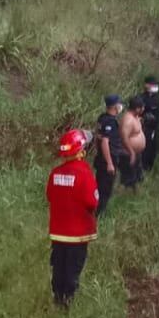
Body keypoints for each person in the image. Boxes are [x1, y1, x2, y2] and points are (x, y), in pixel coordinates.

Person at [46, 129, 99, 308]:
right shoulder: (84, 173)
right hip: (78, 234)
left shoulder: (55, 173)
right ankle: (68, 300)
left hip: (58, 232)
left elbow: (50, 196)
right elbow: (92, 202)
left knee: (59, 265)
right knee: (72, 267)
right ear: (80, 151)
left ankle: (57, 297)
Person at [95, 95, 127, 215]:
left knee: (99, 185)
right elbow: (105, 141)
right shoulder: (110, 121)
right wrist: (109, 163)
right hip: (108, 158)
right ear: (114, 106)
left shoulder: (102, 118)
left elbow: (97, 137)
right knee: (105, 188)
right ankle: (100, 214)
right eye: (119, 104)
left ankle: (96, 209)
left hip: (101, 157)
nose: (121, 106)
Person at [121, 95, 147, 188]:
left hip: (137, 153)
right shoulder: (128, 120)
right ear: (136, 108)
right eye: (142, 107)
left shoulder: (135, 116)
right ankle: (127, 196)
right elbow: (124, 138)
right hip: (128, 153)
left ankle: (136, 192)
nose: (143, 109)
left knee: (138, 175)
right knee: (129, 178)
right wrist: (131, 152)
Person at [141, 77, 159, 172]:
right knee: (145, 149)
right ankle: (142, 168)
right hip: (144, 128)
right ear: (147, 85)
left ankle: (149, 168)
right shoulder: (141, 98)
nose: (155, 87)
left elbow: (158, 114)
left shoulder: (156, 99)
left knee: (153, 150)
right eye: (153, 85)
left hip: (154, 128)